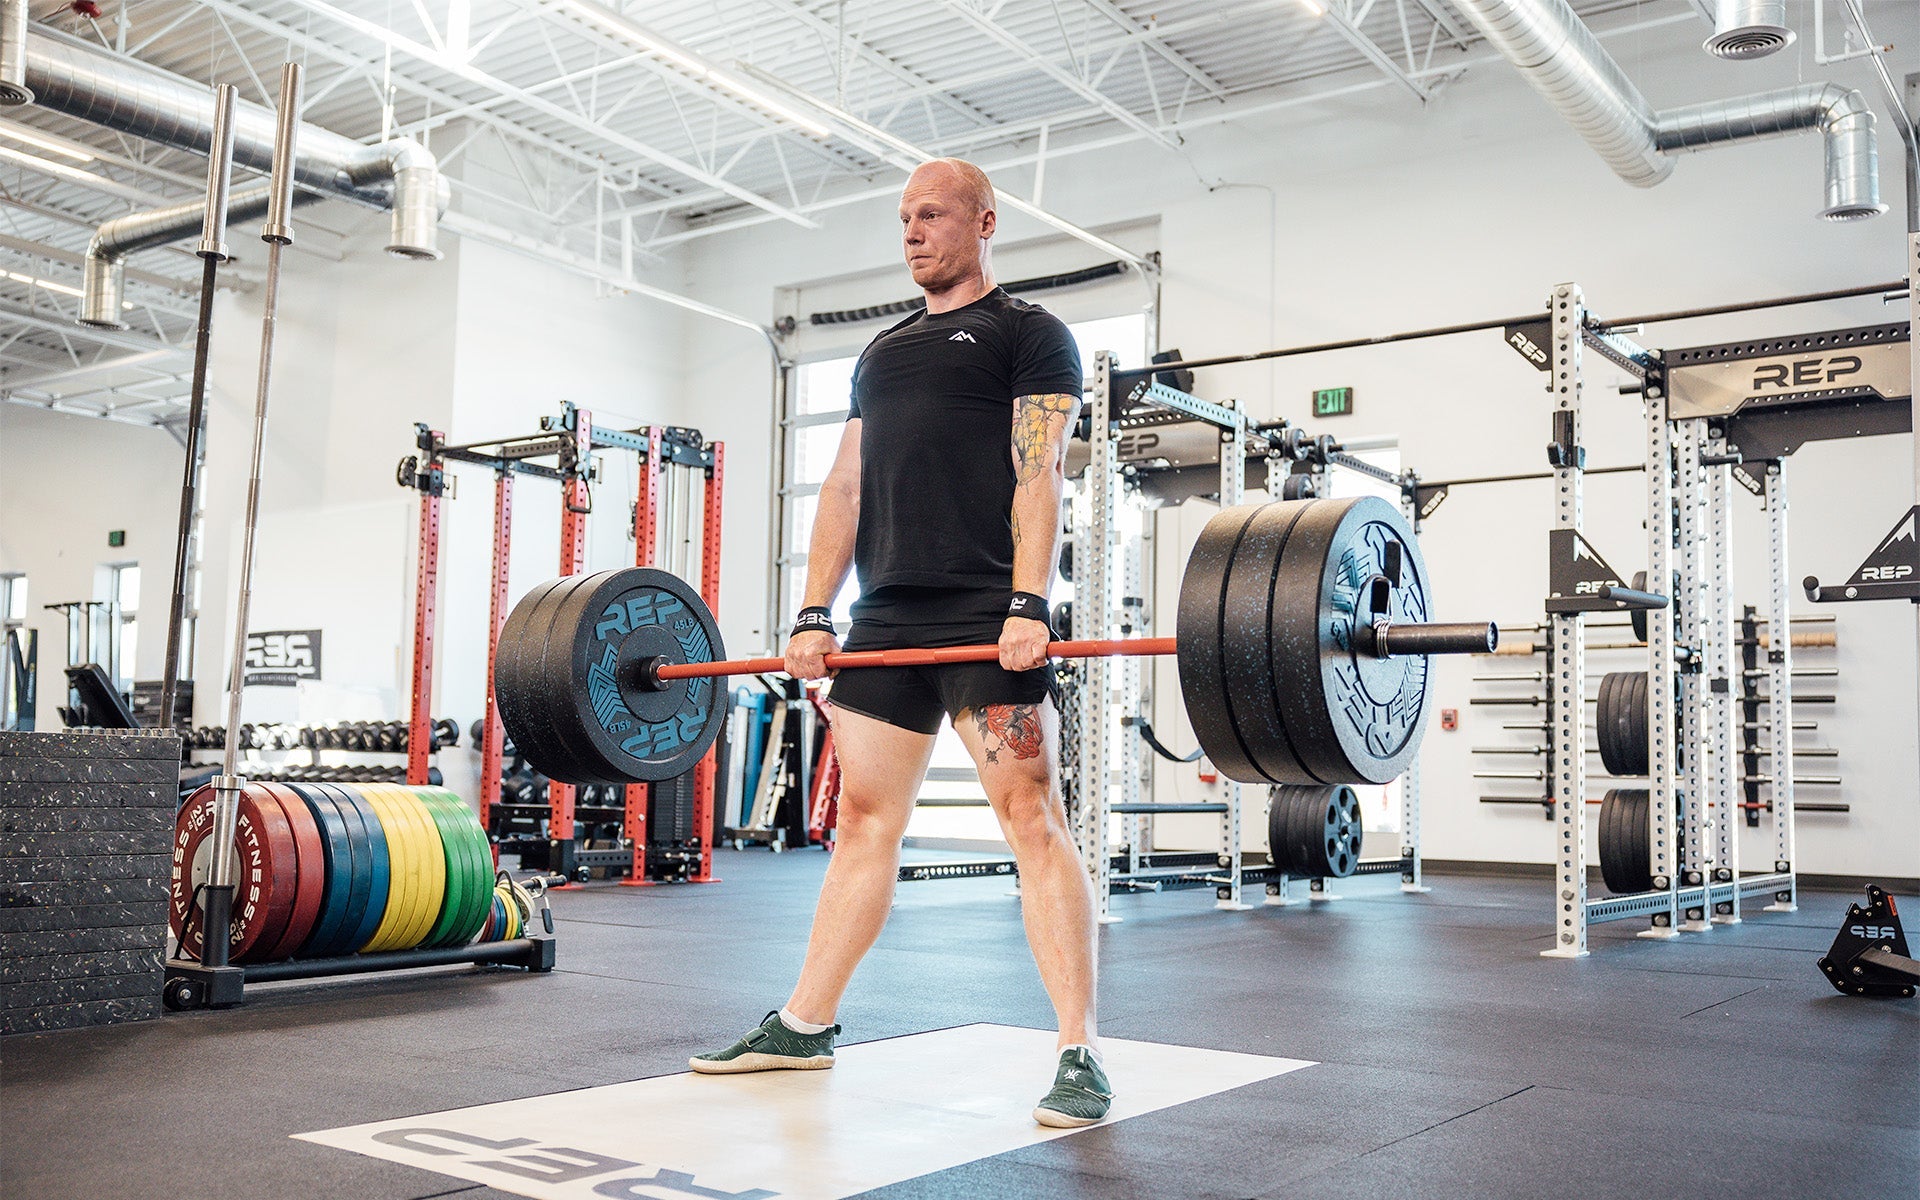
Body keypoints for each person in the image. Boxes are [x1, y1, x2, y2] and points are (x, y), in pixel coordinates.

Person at [689, 157, 1109, 1127]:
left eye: (932, 215)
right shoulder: (877, 354)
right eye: (904, 218)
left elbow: (1036, 469)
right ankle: (804, 1025)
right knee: (865, 823)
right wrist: (810, 610)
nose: (913, 232)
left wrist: (1028, 603)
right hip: (885, 617)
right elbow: (843, 487)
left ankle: (1078, 1046)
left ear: (983, 221)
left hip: (981, 612)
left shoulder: (1029, 334)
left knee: (1030, 818)